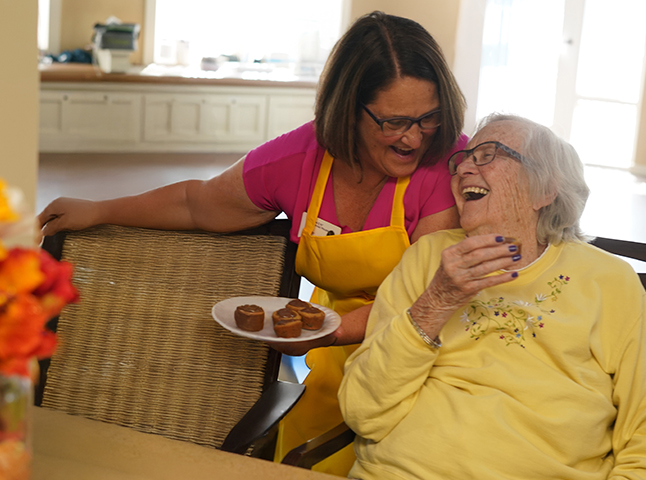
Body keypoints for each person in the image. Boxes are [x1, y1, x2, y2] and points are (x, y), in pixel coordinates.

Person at [37, 11, 468, 476]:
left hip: (432, 355)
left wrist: (332, 331)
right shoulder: (299, 158)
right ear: (348, 109)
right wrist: (100, 210)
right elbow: (196, 204)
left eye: (429, 117)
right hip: (335, 363)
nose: (414, 137)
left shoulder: (448, 165)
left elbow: (425, 294)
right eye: (394, 121)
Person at [338, 113, 646, 479]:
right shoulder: (427, 259)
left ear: (545, 190)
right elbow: (362, 410)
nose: (463, 170)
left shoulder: (608, 281)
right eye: (463, 159)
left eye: (488, 154)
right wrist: (435, 304)